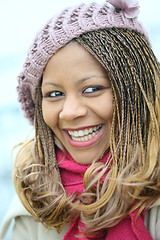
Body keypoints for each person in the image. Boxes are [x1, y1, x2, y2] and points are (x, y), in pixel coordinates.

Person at [0, 0, 160, 239]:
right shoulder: (35, 201)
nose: (70, 112)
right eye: (55, 94)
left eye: (92, 89)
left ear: (138, 92)